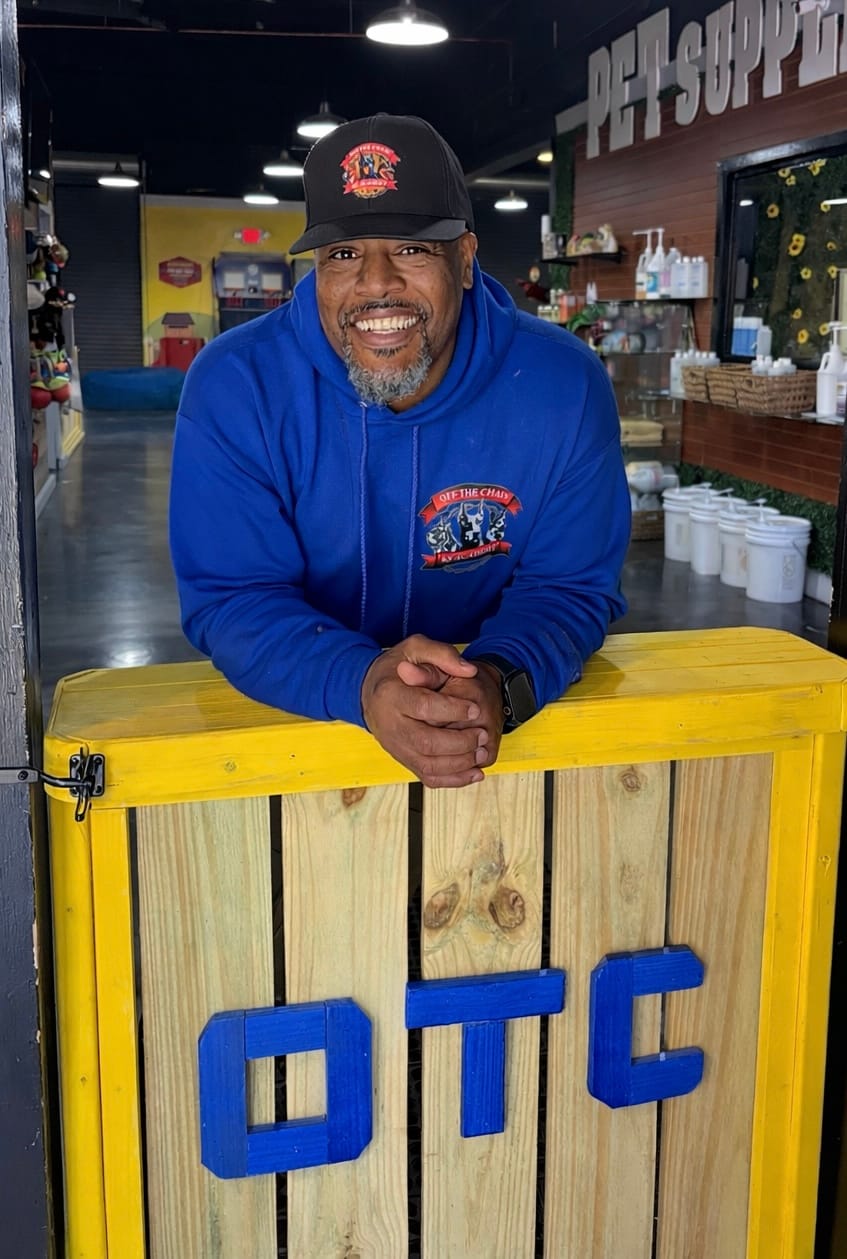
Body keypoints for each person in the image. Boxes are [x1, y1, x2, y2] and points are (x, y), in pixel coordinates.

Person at [169, 113, 630, 789]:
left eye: (412, 250)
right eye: (344, 254)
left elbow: (569, 587)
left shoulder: (564, 385)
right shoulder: (237, 384)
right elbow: (234, 596)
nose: (376, 284)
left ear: (465, 260)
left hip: (491, 752)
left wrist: (498, 684)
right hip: (303, 733)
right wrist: (360, 682)